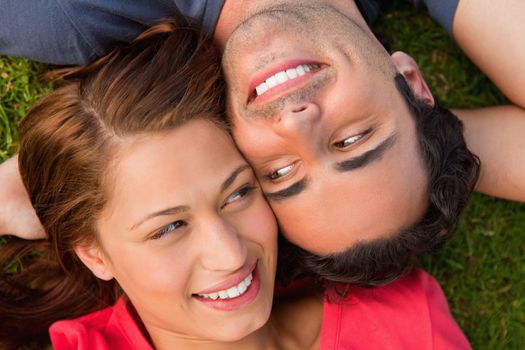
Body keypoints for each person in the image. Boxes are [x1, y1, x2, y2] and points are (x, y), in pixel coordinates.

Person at [0, 20, 470, 350]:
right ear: (94, 254)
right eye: (168, 228)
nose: (230, 254)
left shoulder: (403, 325)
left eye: (238, 194)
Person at [1, 0, 524, 282]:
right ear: (411, 82)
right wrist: (435, 145)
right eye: (354, 137)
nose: (296, 124)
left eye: (279, 172)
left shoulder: (60, 14)